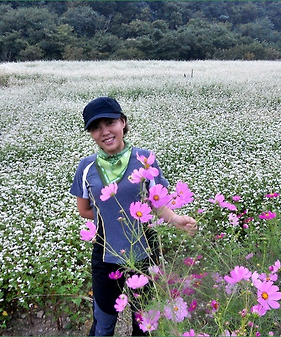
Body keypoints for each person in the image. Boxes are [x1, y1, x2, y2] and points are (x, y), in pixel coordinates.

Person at [70, 97, 197, 336]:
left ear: (123, 123)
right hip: (105, 257)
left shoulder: (145, 158)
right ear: (91, 134)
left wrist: (177, 220)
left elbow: (158, 204)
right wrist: (110, 219)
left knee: (145, 322)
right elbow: (85, 209)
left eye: (110, 123)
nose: (104, 132)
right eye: (96, 127)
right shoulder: (86, 167)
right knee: (104, 321)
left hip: (145, 254)